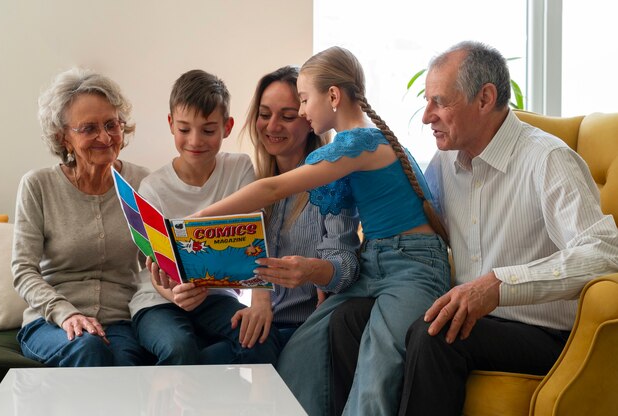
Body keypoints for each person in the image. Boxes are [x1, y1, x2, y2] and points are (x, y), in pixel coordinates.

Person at [328, 40, 618, 416]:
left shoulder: (548, 159)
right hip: (470, 316)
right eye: (427, 101)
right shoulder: (445, 164)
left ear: (484, 99)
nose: (426, 116)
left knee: (438, 336)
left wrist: (499, 285)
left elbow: (604, 252)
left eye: (439, 102)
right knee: (348, 317)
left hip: (543, 333)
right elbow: (417, 231)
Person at [184, 46, 451, 416]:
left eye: (305, 100)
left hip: (413, 263)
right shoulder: (350, 149)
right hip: (377, 260)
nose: (306, 111)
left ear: (334, 96)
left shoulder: (360, 143)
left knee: (378, 366)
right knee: (302, 350)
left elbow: (272, 189)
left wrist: (195, 220)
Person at [129, 69, 281, 365]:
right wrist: (175, 295)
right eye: (184, 129)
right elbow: (153, 266)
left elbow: (256, 240)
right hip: (159, 302)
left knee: (259, 336)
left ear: (227, 127)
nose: (195, 141)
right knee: (178, 347)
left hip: (217, 298)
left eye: (208, 130)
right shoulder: (153, 188)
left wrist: (262, 302)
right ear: (171, 125)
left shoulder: (239, 169)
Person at [12, 68, 152, 366]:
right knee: (88, 349)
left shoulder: (142, 184)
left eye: (111, 124)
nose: (105, 137)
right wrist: (67, 313)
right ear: (63, 137)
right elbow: (24, 270)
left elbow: (154, 262)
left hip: (120, 323)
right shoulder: (38, 186)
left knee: (127, 364)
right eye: (89, 128)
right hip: (52, 323)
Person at [229, 66, 360, 349]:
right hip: (261, 324)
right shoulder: (250, 181)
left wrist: (313, 270)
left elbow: (347, 267)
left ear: (308, 118)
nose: (272, 126)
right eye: (264, 115)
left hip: (303, 330)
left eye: (287, 117)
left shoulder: (330, 182)